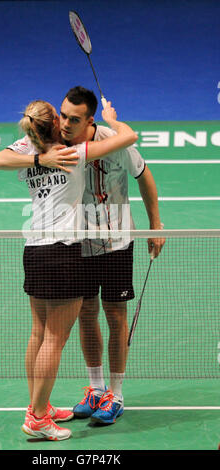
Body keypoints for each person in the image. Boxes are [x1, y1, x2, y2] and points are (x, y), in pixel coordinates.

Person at [0, 97, 138, 440]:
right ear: (54, 122)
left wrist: (38, 158)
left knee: (38, 334)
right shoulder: (73, 153)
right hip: (63, 252)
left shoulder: (30, 149)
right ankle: (39, 417)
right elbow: (129, 137)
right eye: (58, 116)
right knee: (54, 340)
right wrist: (111, 119)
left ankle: (36, 405)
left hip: (33, 250)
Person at [58, 86, 165, 425]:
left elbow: (144, 176)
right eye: (63, 115)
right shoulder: (58, 143)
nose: (65, 124)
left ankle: (115, 394)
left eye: (74, 119)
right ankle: (95, 387)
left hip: (117, 240)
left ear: (90, 120)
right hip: (79, 241)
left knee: (116, 316)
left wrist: (155, 224)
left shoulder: (115, 141)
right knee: (86, 313)